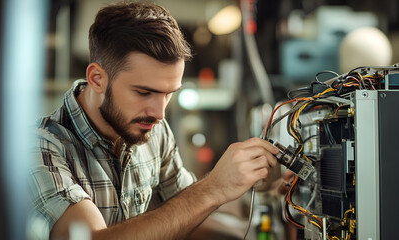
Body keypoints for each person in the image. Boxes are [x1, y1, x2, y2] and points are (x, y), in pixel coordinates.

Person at [28, 2, 279, 239]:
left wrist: (272, 214)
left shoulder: (153, 131)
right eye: (144, 92)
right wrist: (213, 188)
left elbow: (188, 215)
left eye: (168, 94)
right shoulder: (40, 147)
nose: (159, 113)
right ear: (96, 78)